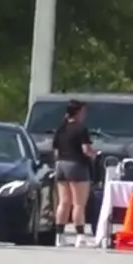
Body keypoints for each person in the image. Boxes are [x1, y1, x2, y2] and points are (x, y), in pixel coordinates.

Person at [51, 99, 97, 247]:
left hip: (61, 165)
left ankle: (59, 236)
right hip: (77, 165)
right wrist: (94, 154)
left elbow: (56, 151)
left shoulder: (60, 129)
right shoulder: (81, 129)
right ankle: (80, 237)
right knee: (79, 204)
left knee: (64, 202)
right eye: (83, 111)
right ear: (77, 112)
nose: (85, 114)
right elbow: (85, 150)